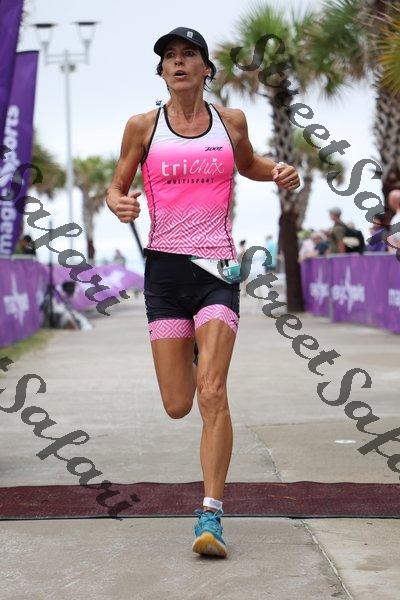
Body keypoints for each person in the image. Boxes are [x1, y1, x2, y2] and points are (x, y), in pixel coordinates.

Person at [105, 26, 300, 558]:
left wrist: (278, 172)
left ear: (206, 68)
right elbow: (117, 186)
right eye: (170, 56)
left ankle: (211, 514)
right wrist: (119, 202)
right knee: (177, 404)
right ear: (162, 71)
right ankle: (194, 349)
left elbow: (249, 164)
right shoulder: (142, 127)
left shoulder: (230, 121)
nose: (178, 62)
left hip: (216, 271)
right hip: (165, 274)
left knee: (212, 391)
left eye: (188, 54)